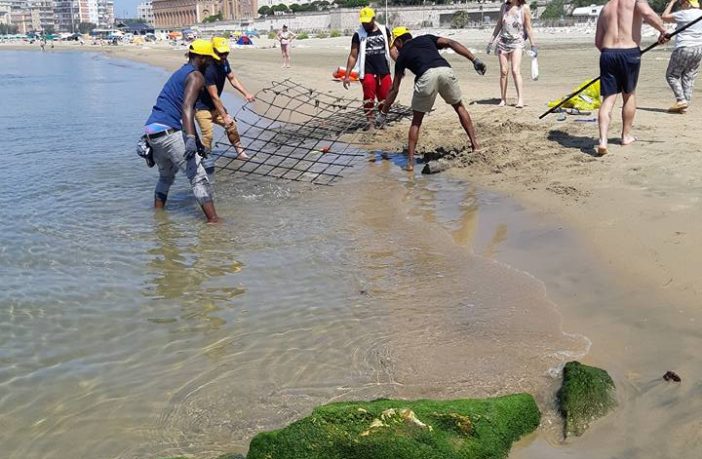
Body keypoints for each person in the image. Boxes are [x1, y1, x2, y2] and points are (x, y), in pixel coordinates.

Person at [380, 27, 486, 171]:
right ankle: (475, 146)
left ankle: (410, 164)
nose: (396, 48)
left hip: (426, 75)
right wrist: (474, 59)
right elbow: (450, 42)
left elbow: (394, 89)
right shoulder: (426, 38)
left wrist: (384, 113)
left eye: (395, 44)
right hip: (445, 70)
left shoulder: (402, 55)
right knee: (459, 107)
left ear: (399, 41)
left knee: (416, 121)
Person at [143, 39, 221, 223]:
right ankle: (214, 222)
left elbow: (189, 112)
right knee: (198, 176)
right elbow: (187, 108)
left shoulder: (181, 72)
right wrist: (191, 139)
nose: (211, 63)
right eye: (209, 59)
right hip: (169, 132)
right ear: (201, 57)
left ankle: (159, 219)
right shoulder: (196, 77)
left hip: (152, 132)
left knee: (166, 177)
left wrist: (198, 142)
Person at [595, 0, 669, 155]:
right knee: (629, 95)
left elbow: (598, 41)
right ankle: (626, 136)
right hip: (629, 53)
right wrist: (663, 30)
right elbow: (647, 13)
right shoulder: (635, 0)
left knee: (608, 99)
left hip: (607, 54)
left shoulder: (606, 7)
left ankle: (602, 140)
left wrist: (612, 55)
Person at [195, 36, 256, 179]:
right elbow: (214, 96)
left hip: (215, 106)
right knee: (208, 134)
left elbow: (232, 79)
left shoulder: (224, 62)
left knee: (231, 125)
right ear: (213, 51)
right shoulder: (208, 68)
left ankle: (240, 152)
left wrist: (246, 93)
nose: (223, 56)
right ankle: (204, 159)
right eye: (221, 53)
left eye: (226, 53)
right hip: (201, 107)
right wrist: (224, 115)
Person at [343, 7, 395, 129]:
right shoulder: (358, 34)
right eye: (363, 21)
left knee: (385, 98)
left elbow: (391, 48)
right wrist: (347, 75)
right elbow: (353, 55)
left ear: (373, 18)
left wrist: (401, 63)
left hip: (383, 69)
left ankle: (382, 121)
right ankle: (370, 123)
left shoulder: (384, 30)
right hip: (367, 71)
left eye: (368, 21)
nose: (365, 24)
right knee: (369, 98)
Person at [488, 0, 537, 108]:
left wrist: (533, 45)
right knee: (503, 71)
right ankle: (503, 99)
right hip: (503, 42)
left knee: (515, 70)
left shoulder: (524, 8)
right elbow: (499, 25)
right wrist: (491, 41)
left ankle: (520, 100)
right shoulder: (503, 7)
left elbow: (528, 27)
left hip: (517, 43)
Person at [662, 0, 702, 113]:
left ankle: (681, 100)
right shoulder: (700, 14)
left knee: (671, 75)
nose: (681, 5)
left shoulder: (684, 14)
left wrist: (672, 2)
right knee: (689, 76)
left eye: (682, 3)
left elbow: (664, 17)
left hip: (684, 47)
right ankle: (685, 105)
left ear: (687, 3)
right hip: (698, 48)